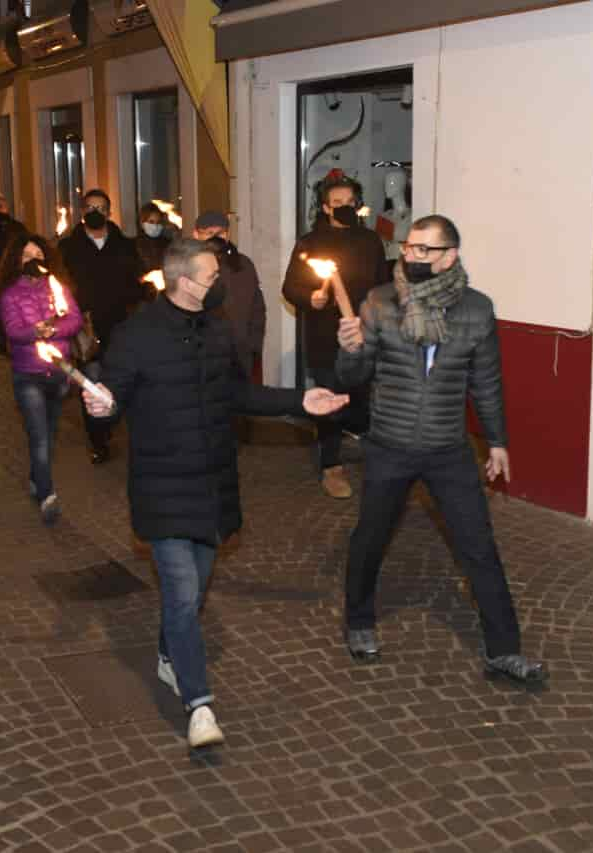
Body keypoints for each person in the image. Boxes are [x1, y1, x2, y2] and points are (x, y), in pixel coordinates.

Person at [84, 239, 350, 749]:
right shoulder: (137, 336)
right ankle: (199, 704)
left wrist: (301, 400)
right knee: (182, 593)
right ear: (182, 283)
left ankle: (169, 655)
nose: (219, 285)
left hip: (213, 484)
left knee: (195, 590)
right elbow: (110, 398)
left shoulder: (218, 327)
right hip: (162, 486)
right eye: (211, 277)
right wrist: (100, 407)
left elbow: (239, 395)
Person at [335, 215, 545, 683]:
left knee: (479, 548)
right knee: (370, 538)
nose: (411, 257)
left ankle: (504, 649)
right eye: (408, 248)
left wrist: (497, 441)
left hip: (448, 448)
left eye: (423, 251)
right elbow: (352, 380)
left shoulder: (476, 310)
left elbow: (485, 381)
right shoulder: (380, 301)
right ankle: (360, 621)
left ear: (450, 256)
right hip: (389, 443)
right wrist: (349, 349)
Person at [283, 169, 388, 499]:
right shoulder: (310, 242)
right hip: (325, 337)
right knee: (330, 400)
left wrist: (379, 318)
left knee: (363, 399)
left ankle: (377, 461)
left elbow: (383, 284)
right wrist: (309, 298)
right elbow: (291, 286)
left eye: (349, 201)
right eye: (336, 202)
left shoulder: (370, 241)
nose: (344, 206)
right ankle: (331, 467)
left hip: (364, 334)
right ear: (326, 207)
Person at [0, 235, 83, 524]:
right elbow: (13, 331)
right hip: (28, 374)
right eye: (26, 255)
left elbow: (74, 320)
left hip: (58, 372)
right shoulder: (10, 294)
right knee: (39, 436)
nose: (33, 260)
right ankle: (47, 495)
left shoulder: (57, 287)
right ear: (17, 261)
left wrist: (53, 331)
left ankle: (37, 477)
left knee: (50, 430)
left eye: (38, 254)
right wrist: (36, 331)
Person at [58, 189, 144, 464]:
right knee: (92, 380)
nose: (95, 211)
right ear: (82, 212)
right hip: (86, 327)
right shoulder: (68, 248)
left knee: (120, 380)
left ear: (109, 212)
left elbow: (138, 282)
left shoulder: (124, 245)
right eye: (90, 207)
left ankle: (113, 424)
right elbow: (60, 284)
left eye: (101, 207)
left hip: (120, 327)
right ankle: (98, 438)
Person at [192, 211, 265, 383]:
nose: (215, 237)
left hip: (239, 353)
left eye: (221, 232)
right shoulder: (187, 265)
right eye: (209, 233)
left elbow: (257, 307)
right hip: (201, 354)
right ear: (196, 235)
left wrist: (253, 345)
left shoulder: (243, 265)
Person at [135, 201, 172, 275]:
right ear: (142, 223)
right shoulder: (133, 245)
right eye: (151, 222)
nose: (155, 226)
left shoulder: (168, 244)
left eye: (158, 222)